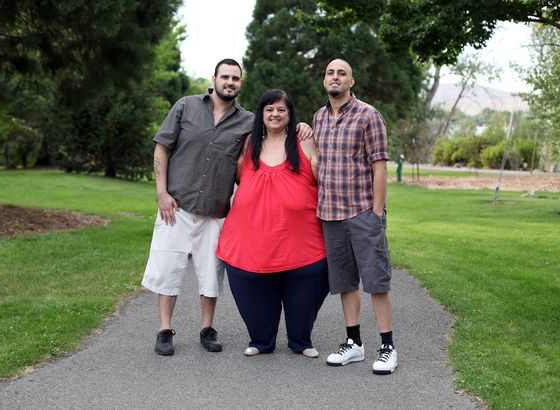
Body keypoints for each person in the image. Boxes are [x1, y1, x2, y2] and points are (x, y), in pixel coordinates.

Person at [142, 59, 312, 356]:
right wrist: (161, 192)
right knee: (168, 270)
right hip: (176, 206)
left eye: (235, 78)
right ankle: (165, 330)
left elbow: (273, 132)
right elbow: (162, 147)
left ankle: (207, 329)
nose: (230, 82)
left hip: (215, 210)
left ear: (240, 83)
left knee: (211, 275)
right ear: (214, 79)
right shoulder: (186, 106)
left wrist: (300, 125)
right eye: (225, 77)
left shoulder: (247, 121)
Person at [216, 89, 329, 358]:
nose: (275, 114)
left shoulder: (305, 142)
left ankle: (301, 340)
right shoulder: (250, 143)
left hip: (302, 242)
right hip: (249, 241)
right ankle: (261, 340)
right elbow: (239, 176)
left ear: (290, 114)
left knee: (306, 282)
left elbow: (322, 177)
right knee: (249, 282)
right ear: (261, 114)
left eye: (281, 109)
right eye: (269, 109)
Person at [312, 59, 398, 374]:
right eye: (330, 73)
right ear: (325, 80)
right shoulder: (319, 117)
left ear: (351, 81)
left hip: (362, 212)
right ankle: (354, 343)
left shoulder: (368, 115)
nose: (335, 77)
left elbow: (379, 166)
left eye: (342, 73)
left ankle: (387, 347)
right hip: (331, 215)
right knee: (345, 282)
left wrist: (376, 212)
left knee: (376, 281)